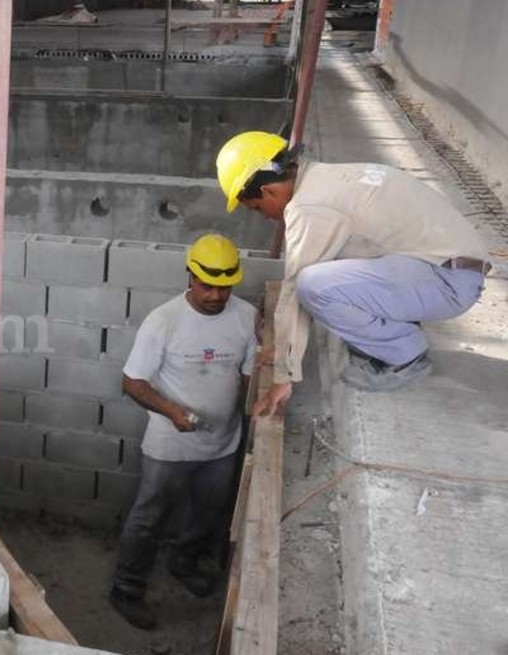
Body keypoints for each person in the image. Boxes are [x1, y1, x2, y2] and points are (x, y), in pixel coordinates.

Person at [215, 131, 491, 414]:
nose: (267, 217)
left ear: (267, 191)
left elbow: (294, 289)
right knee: (331, 262)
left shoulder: (307, 208)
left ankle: (406, 355)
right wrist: (286, 348)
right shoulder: (324, 178)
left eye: (259, 209)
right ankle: (399, 330)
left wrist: (284, 377)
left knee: (312, 285)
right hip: (449, 267)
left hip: (449, 282)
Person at [108, 234, 258, 630]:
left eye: (224, 287)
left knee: (207, 510)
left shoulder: (245, 317)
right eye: (208, 285)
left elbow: (248, 376)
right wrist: (174, 411)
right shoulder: (164, 321)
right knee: (148, 516)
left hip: (222, 443)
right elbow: (133, 382)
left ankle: (184, 562)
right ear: (190, 276)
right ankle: (126, 588)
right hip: (170, 444)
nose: (216, 295)